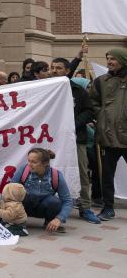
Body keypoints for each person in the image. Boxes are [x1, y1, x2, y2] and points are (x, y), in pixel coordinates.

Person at [50, 57, 99, 224]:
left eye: (58, 68)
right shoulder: (46, 90)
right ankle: (53, 207)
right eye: (52, 67)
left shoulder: (78, 91)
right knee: (52, 172)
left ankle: (85, 208)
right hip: (52, 140)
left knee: (82, 173)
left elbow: (89, 111)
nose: (54, 70)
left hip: (76, 139)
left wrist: (73, 125)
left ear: (67, 71)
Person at [89, 47, 127, 221]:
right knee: (106, 175)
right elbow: (93, 102)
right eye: (108, 58)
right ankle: (108, 207)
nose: (109, 61)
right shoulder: (100, 81)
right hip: (107, 136)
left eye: (113, 58)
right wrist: (102, 115)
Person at [12, 148, 72, 233]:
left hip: (43, 208)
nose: (29, 164)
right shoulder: (24, 169)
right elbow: (8, 192)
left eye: (34, 162)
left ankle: (50, 222)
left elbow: (67, 201)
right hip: (25, 207)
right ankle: (18, 222)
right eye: (29, 161)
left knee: (54, 202)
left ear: (46, 163)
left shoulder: (56, 175)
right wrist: (6, 216)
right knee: (17, 195)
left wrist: (59, 219)